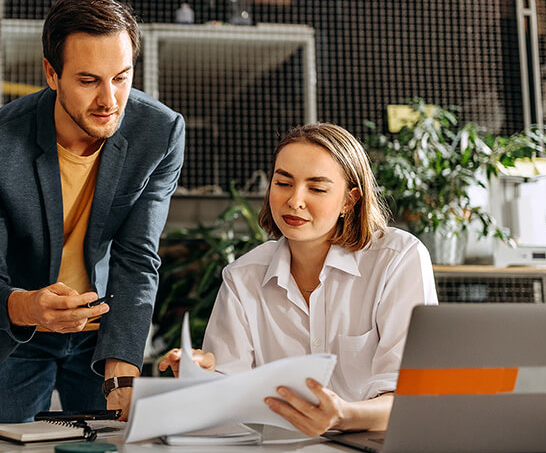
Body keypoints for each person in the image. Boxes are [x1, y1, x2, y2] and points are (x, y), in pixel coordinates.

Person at [0, 0, 185, 422]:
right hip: (17, 333)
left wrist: (121, 371)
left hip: (104, 334)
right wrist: (29, 307)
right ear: (51, 73)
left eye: (121, 77)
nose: (109, 101)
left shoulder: (161, 133)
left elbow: (137, 259)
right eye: (88, 80)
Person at [159, 123, 437, 436]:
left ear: (350, 200)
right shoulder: (243, 277)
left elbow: (411, 395)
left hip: (376, 449)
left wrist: (342, 415)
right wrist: (205, 376)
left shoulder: (398, 259)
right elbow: (230, 393)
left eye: (316, 188)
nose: (295, 201)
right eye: (283, 183)